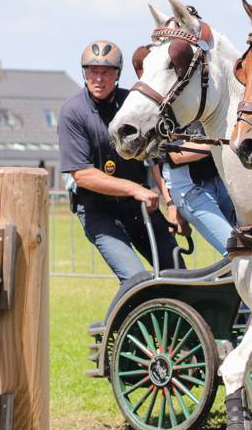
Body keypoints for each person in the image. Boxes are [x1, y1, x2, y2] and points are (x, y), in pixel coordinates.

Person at [58, 39, 182, 282]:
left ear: (117, 74)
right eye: (92, 71)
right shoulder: (72, 112)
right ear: (84, 73)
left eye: (106, 72)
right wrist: (134, 189)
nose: (98, 79)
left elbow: (155, 159)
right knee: (136, 279)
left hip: (139, 207)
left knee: (177, 272)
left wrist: (171, 204)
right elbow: (82, 175)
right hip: (97, 210)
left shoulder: (133, 103)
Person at [132, 44, 236, 256]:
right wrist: (226, 141)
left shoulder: (188, 96)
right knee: (235, 250)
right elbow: (170, 157)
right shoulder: (156, 112)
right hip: (190, 188)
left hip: (219, 180)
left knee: (250, 246)